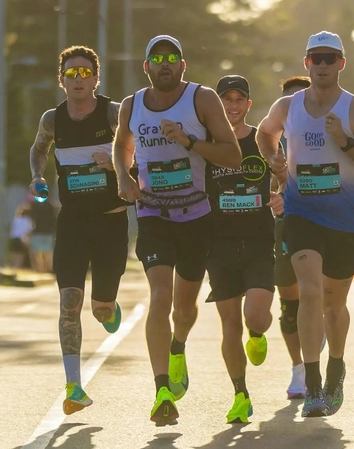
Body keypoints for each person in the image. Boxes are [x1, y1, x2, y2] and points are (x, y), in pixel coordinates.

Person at [257, 31, 354, 418]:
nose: (323, 65)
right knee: (310, 292)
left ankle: (336, 368)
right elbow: (266, 134)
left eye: (331, 58)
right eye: (316, 58)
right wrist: (273, 158)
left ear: (342, 63)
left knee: (335, 303)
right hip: (301, 213)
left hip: (344, 219)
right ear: (306, 64)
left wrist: (345, 142)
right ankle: (313, 386)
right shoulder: (288, 106)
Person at [113, 34, 241, 426]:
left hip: (196, 217)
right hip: (153, 216)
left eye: (172, 58)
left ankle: (178, 346)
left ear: (182, 66)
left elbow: (233, 156)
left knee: (185, 309)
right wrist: (123, 175)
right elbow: (122, 146)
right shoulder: (132, 105)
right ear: (146, 67)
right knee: (160, 297)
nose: (164, 64)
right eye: (157, 59)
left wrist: (188, 141)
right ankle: (162, 389)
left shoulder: (201, 100)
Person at [29, 45, 130, 415]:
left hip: (111, 220)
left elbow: (142, 153)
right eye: (71, 74)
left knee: (100, 309)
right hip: (72, 221)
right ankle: (74, 386)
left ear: (96, 78)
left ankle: (109, 306)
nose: (78, 80)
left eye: (84, 73)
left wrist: (116, 165)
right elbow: (38, 150)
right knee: (69, 303)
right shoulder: (53, 119)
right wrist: (37, 176)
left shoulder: (114, 113)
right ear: (61, 81)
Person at [206, 74, 284, 424]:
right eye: (226, 99)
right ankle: (241, 395)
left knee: (254, 316)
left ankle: (258, 332)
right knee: (228, 326)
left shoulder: (261, 140)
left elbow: (283, 174)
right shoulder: (207, 143)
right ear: (217, 105)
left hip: (257, 241)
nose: (233, 105)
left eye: (239, 99)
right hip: (218, 245)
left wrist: (281, 192)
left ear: (248, 105)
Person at [274, 75, 312, 399]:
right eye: (288, 100)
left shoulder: (323, 135)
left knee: (316, 297)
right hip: (283, 225)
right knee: (290, 306)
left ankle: (315, 365)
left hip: (322, 222)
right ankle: (298, 369)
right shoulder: (270, 140)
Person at [27, 196, 56, 273]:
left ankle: (45, 269)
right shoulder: (35, 206)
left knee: (45, 253)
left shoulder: (49, 206)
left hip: (44, 233)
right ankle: (41, 269)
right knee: (40, 253)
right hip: (41, 233)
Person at [9, 204, 32, 269]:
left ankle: (12, 269)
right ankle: (15, 270)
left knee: (14, 258)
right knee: (19, 258)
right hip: (21, 240)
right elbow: (27, 231)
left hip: (13, 239)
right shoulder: (28, 220)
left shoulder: (16, 219)